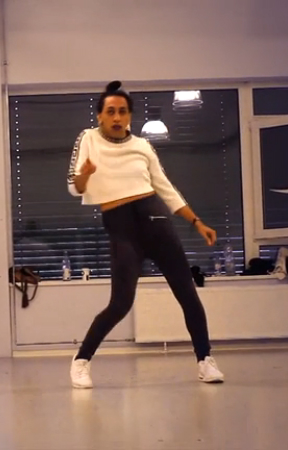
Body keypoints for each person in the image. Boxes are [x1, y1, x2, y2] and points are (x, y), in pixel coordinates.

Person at [66, 81, 224, 388]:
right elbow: (75, 187)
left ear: (129, 116)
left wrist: (197, 222)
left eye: (122, 112)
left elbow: (165, 187)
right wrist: (85, 174)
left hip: (156, 221)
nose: (117, 117)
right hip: (121, 225)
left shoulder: (142, 146)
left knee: (187, 294)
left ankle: (205, 360)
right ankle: (81, 361)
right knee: (120, 303)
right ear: (100, 115)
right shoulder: (88, 139)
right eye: (110, 111)